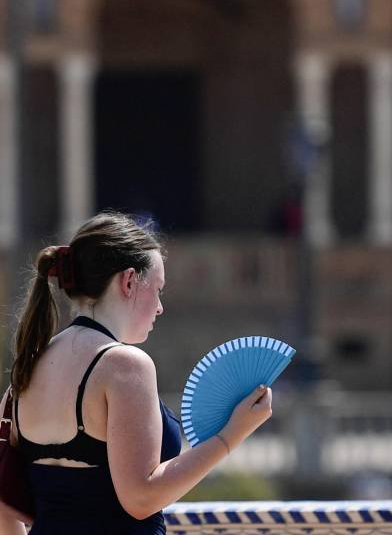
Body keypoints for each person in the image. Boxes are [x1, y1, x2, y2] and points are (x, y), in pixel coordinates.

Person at [0, 212, 273, 534]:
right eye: (157, 288)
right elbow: (141, 498)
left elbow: (4, 504)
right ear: (129, 281)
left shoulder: (29, 368)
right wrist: (233, 434)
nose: (160, 307)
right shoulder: (124, 364)